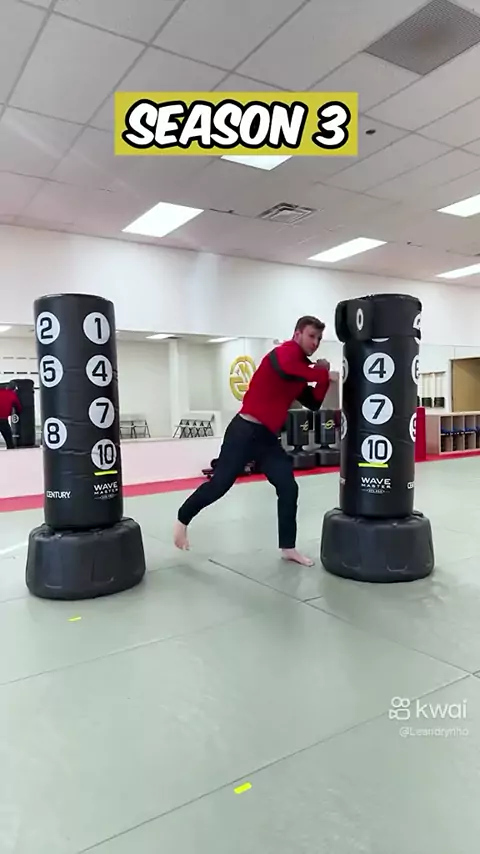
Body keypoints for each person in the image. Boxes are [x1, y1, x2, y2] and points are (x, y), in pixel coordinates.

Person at [174, 316, 332, 566]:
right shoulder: (284, 353)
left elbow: (313, 403)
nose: (315, 342)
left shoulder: (302, 370)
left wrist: (323, 379)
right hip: (244, 430)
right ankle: (182, 519)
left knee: (288, 487)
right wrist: (321, 371)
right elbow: (287, 369)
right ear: (297, 334)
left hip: (267, 438)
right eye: (312, 336)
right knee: (220, 485)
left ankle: (288, 547)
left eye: (319, 339)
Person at [0, 385, 21, 450]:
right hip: (3, 419)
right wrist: (18, 411)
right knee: (8, 437)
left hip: (3, 418)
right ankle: (10, 448)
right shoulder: (11, 394)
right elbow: (18, 406)